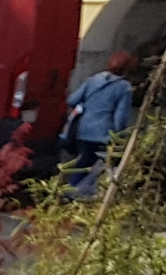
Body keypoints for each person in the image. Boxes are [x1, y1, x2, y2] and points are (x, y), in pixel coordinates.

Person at [62, 50, 137, 195]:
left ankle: (69, 192)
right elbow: (120, 117)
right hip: (104, 134)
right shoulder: (124, 87)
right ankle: (79, 195)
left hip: (83, 131)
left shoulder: (93, 80)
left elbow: (72, 100)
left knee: (83, 163)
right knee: (101, 168)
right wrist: (119, 136)